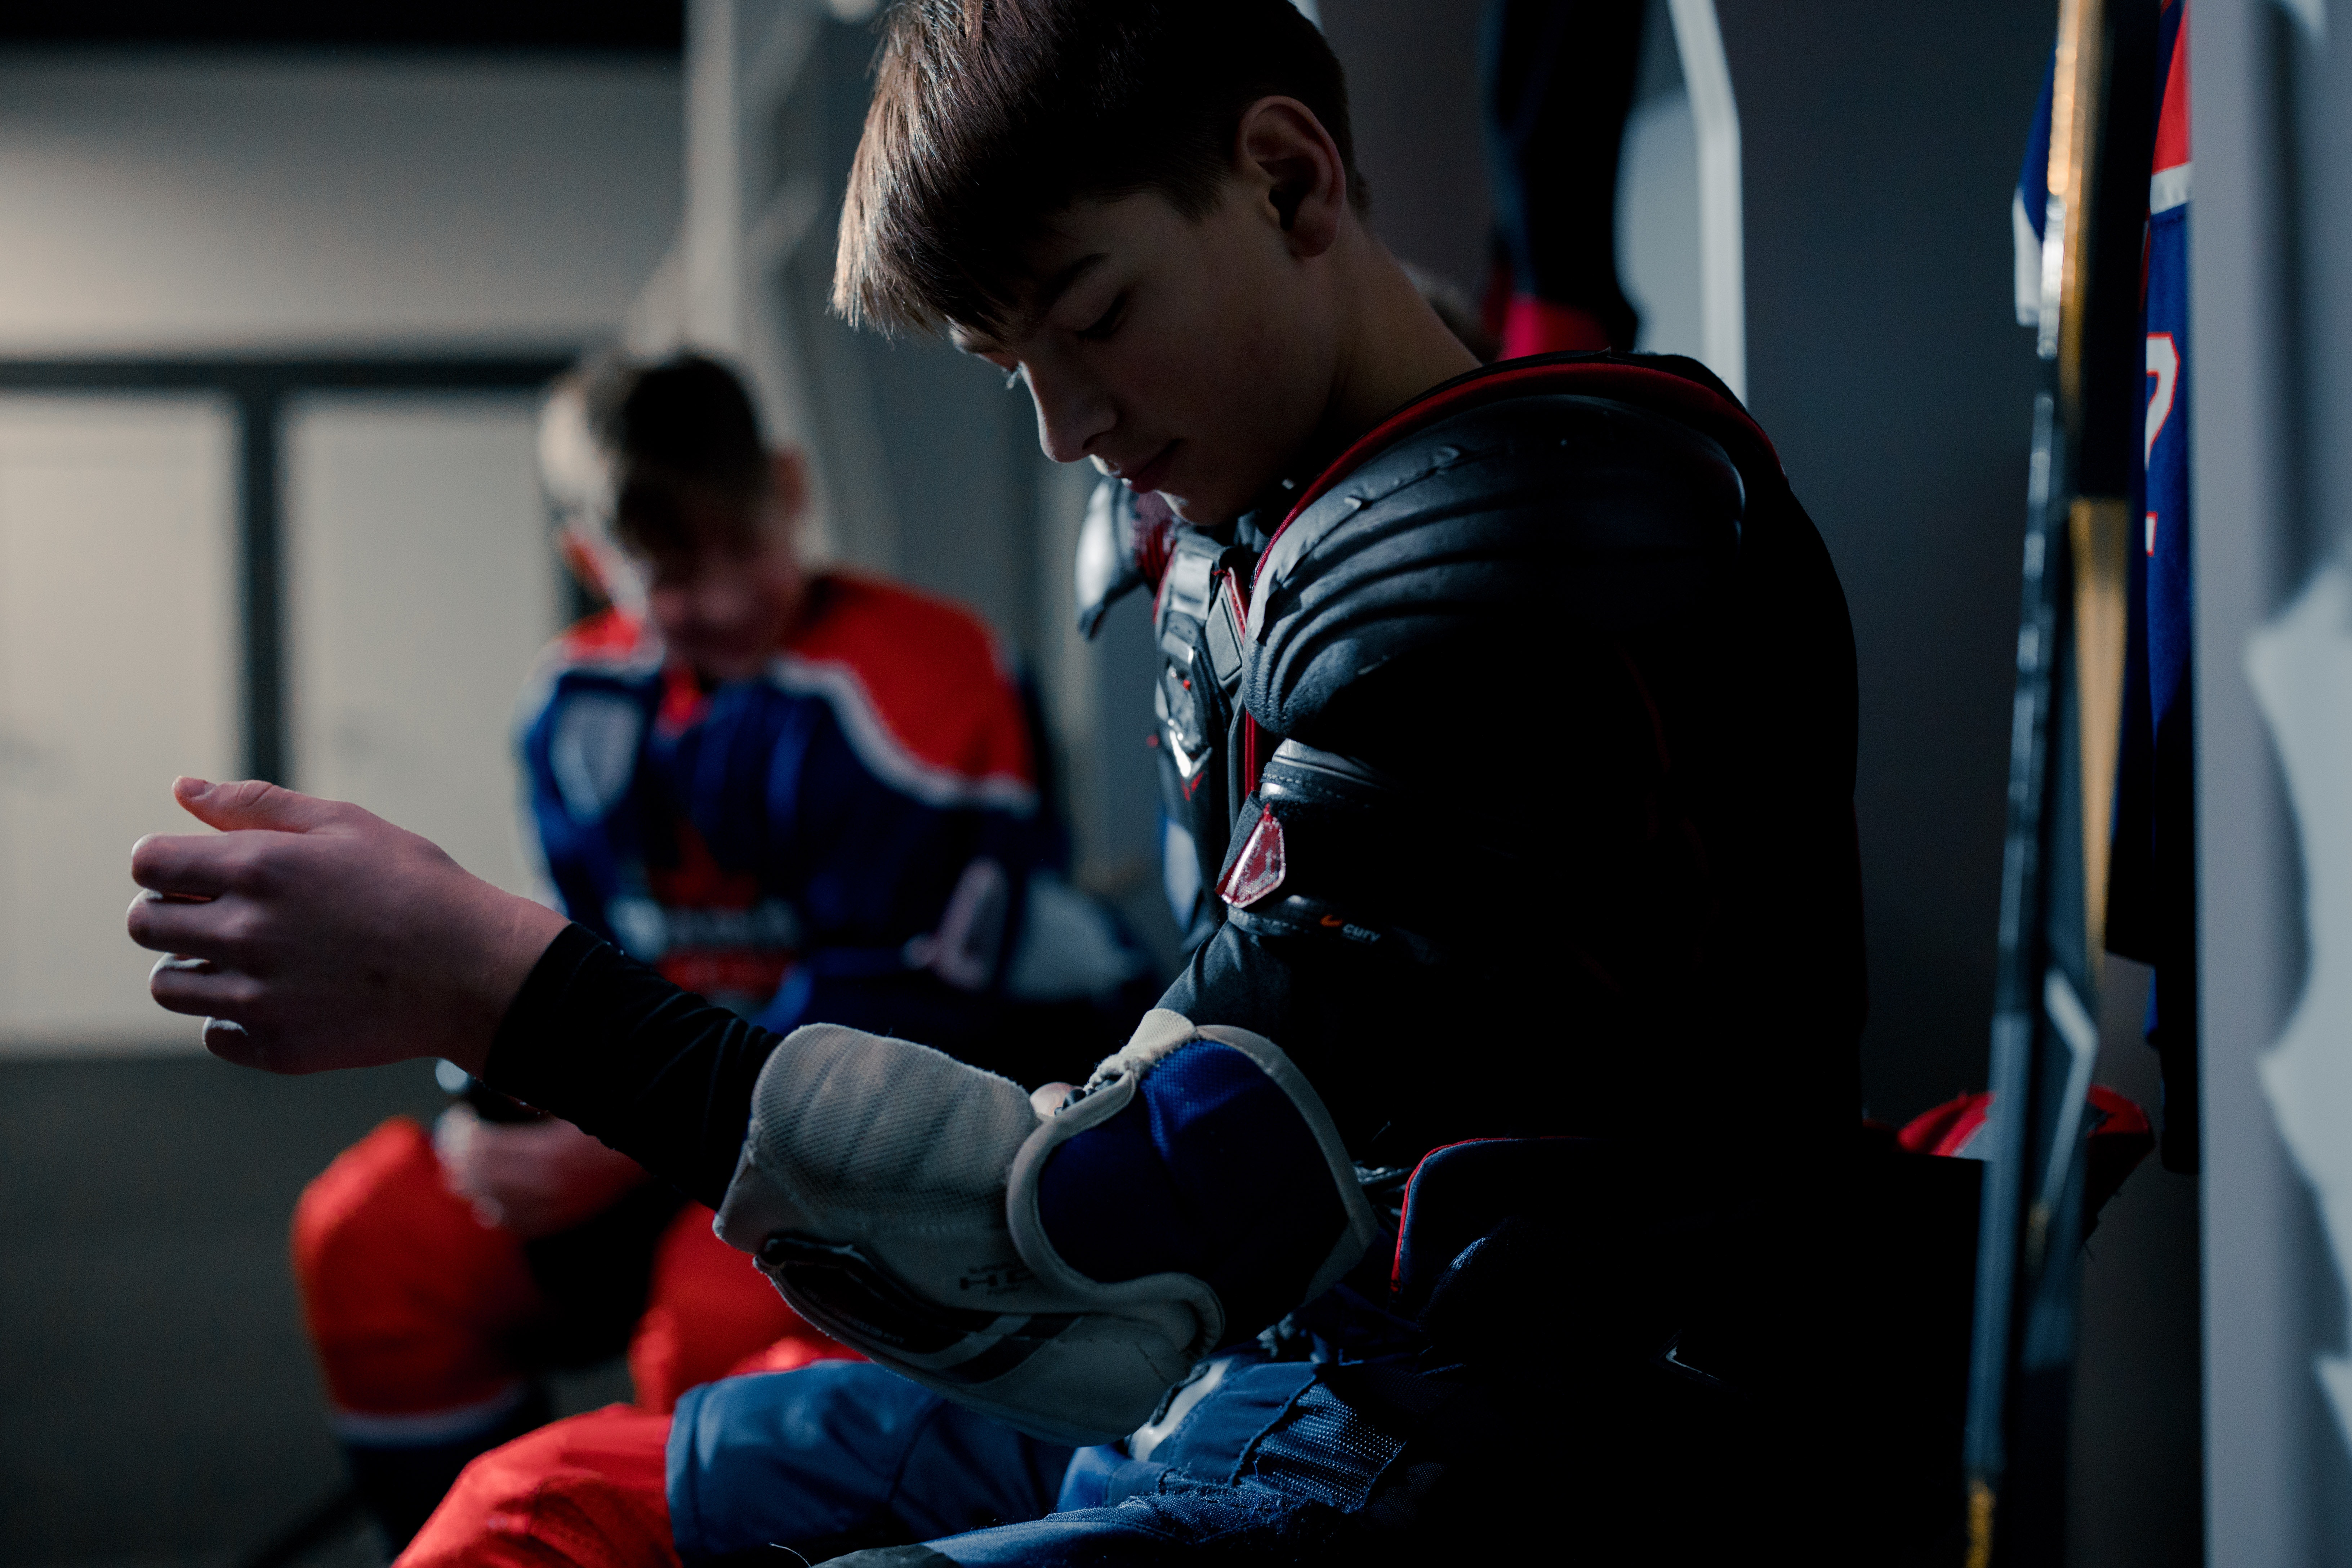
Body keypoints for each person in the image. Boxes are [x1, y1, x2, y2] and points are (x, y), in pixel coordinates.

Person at [130, 3, 1869, 1561]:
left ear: (1285, 179)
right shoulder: (1262, 512)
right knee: (533, 1503)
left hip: (1496, 1434)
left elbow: (1108, 1259)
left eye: (1095, 318)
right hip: (1270, 1350)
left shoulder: (1516, 560)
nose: (1063, 428)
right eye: (1011, 368)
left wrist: (489, 984)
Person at [288, 352, 1150, 1550]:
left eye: (745, 549)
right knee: (377, 1237)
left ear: (790, 492)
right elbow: (572, 950)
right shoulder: (569, 706)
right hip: (655, 1117)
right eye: (677, 574)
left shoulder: (933, 682)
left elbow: (892, 1039)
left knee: (717, 1333)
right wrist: (511, 1109)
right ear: (597, 564)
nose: (730, 600)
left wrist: (620, 1137)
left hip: (881, 1128)